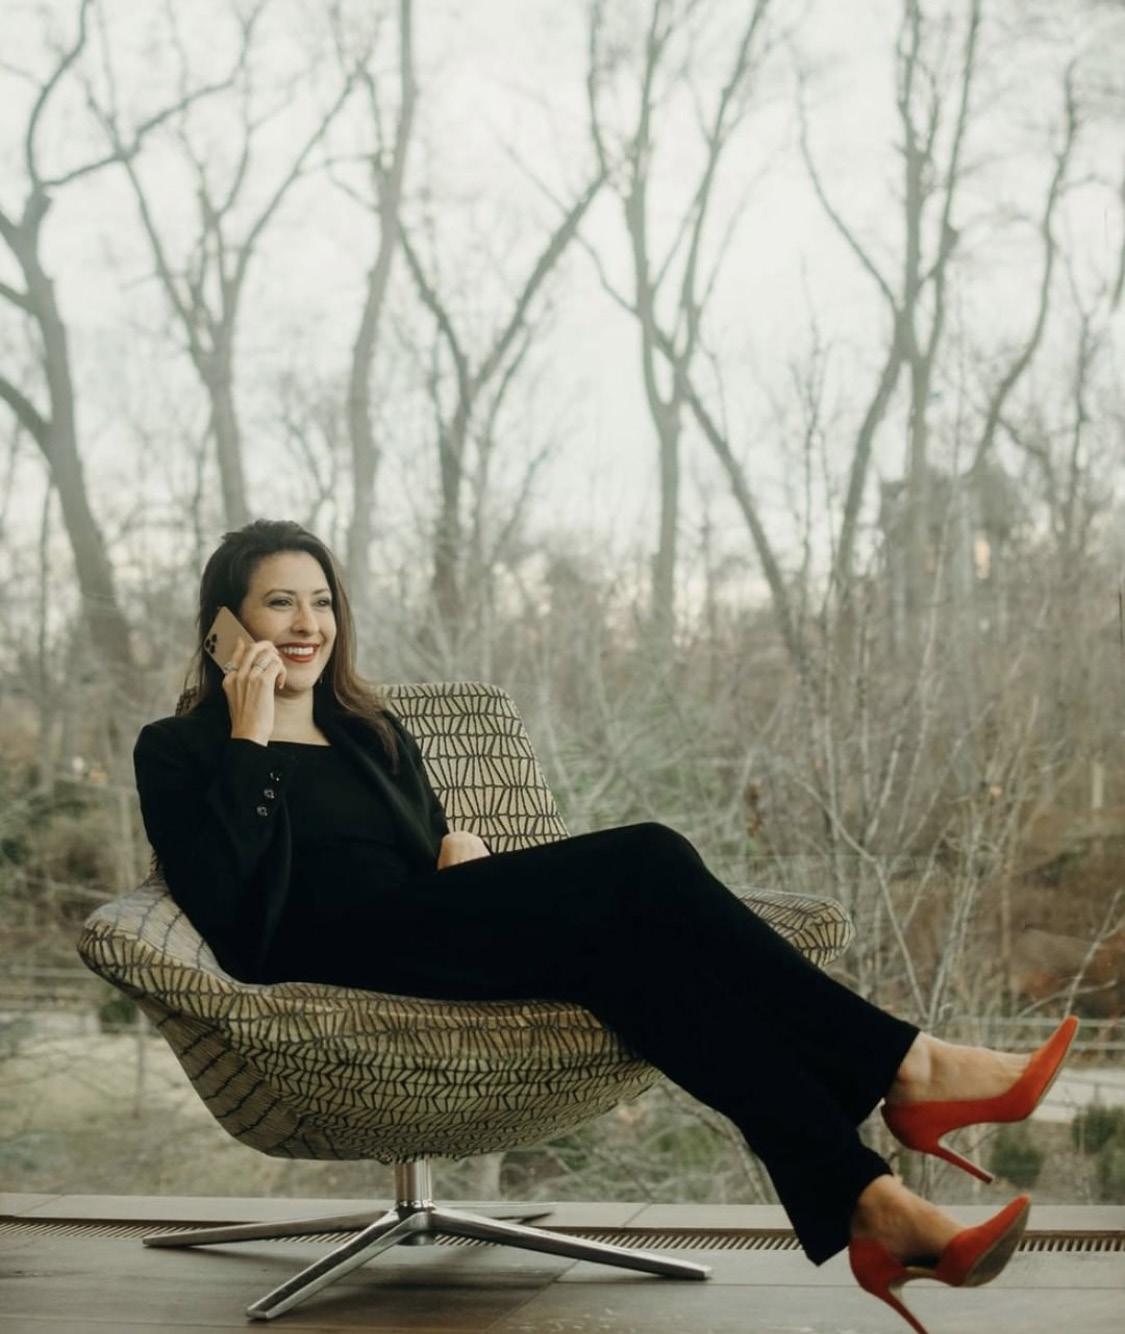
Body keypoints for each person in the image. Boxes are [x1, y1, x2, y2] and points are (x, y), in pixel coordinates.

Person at [133, 518, 1077, 1334]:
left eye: (321, 603)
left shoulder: (370, 731)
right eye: (279, 604)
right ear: (226, 626)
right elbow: (230, 915)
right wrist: (250, 735)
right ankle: (904, 1068)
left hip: (421, 937)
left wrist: (456, 855)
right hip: (312, 959)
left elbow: (414, 866)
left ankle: (870, 1203)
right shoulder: (181, 750)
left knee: (642, 971)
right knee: (648, 857)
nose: (307, 625)